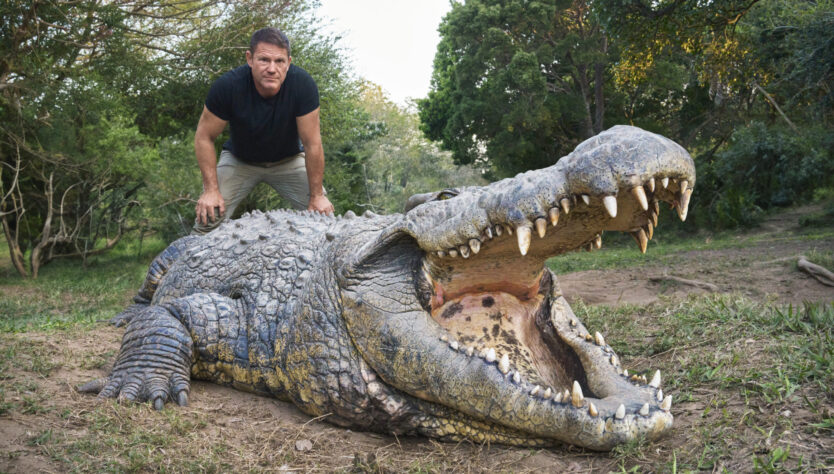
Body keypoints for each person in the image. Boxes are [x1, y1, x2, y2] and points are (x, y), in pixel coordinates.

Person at [192, 27, 334, 234]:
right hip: (240, 160)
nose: (271, 68)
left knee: (325, 220)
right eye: (264, 60)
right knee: (208, 216)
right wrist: (211, 190)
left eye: (279, 61)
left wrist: (317, 196)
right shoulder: (228, 86)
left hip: (289, 160)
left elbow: (312, 143)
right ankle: (180, 264)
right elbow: (204, 137)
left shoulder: (303, 85)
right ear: (249, 59)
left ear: (288, 63)